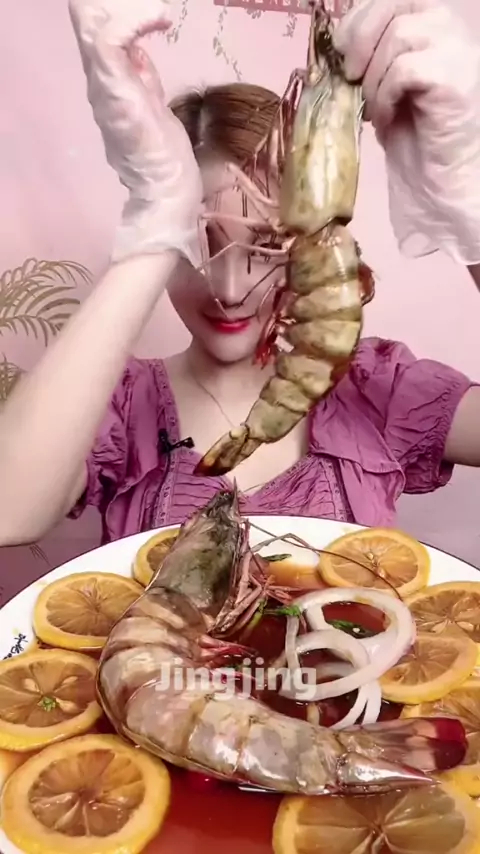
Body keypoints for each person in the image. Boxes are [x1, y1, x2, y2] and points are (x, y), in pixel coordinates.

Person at [0, 0, 480, 548]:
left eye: (267, 246)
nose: (229, 291)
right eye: (193, 243)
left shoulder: (376, 390)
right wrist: (157, 216)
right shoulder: (120, 405)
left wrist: (471, 203)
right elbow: (7, 511)